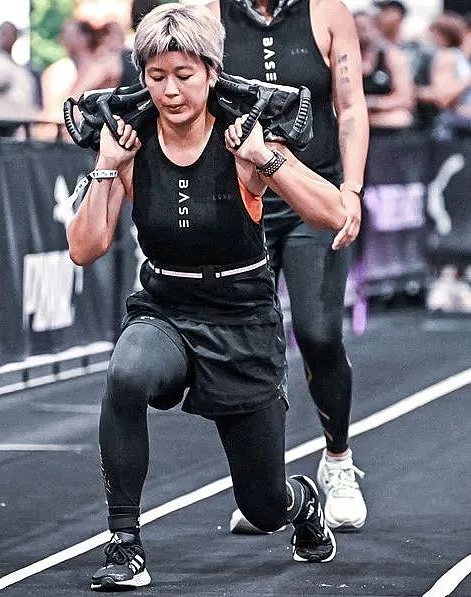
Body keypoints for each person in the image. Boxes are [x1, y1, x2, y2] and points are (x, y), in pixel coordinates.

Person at [67, 4, 347, 591]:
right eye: (157, 75)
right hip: (167, 310)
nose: (171, 90)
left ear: (212, 72)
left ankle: (302, 504)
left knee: (262, 504)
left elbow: (332, 214)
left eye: (185, 74)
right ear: (142, 76)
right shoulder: (129, 141)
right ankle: (124, 544)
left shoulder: (242, 132)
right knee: (126, 373)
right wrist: (104, 167)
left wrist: (265, 158)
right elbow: (84, 249)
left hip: (241, 321)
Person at [192, 0, 369, 532]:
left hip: (311, 196)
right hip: (241, 197)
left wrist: (352, 190)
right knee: (248, 344)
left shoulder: (327, 12)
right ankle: (264, 486)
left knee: (318, 334)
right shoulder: (209, 15)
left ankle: (338, 461)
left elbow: (352, 105)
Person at [355, 11, 414, 131]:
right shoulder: (346, 58)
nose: (360, 33)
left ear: (377, 29)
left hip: (383, 114)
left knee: (400, 117)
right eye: (355, 29)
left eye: (364, 28)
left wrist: (372, 103)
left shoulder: (392, 56)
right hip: (355, 115)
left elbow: (405, 99)